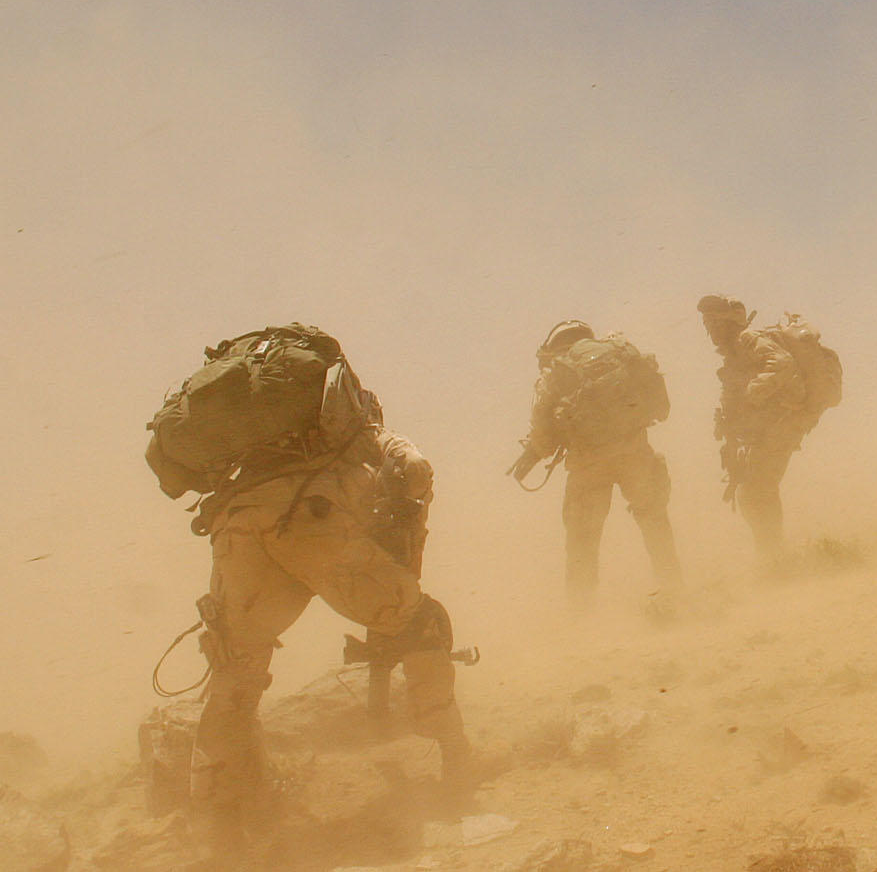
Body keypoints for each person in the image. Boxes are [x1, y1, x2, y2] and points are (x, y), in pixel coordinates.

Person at [149, 325, 473, 849]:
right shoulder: (358, 420)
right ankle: (457, 763)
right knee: (421, 621)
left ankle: (220, 827)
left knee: (236, 671)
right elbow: (415, 472)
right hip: (309, 515)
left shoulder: (247, 442)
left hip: (235, 526)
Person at [509, 320, 679, 617]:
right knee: (654, 523)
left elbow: (543, 437)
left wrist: (534, 452)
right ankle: (677, 591)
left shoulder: (557, 371)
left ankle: (580, 616)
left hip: (588, 465)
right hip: (635, 451)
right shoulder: (621, 354)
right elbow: (660, 407)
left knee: (582, 542)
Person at [699, 295, 825, 564]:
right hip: (767, 429)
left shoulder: (748, 339)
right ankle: (772, 557)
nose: (709, 328)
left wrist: (751, 394)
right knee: (754, 492)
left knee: (757, 491)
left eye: (713, 321)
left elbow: (781, 364)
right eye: (706, 322)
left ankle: (774, 561)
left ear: (729, 322)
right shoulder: (734, 351)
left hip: (781, 425)